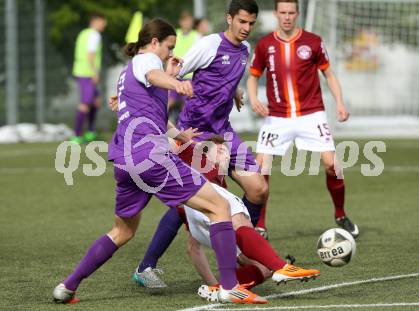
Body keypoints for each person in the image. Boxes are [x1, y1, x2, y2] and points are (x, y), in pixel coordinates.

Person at [53, 18, 266, 305]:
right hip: (151, 157)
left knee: (122, 231)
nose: (170, 53)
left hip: (125, 162)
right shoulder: (146, 60)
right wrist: (177, 84)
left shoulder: (130, 71)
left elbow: (154, 110)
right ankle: (229, 286)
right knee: (220, 206)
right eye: (169, 47)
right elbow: (154, 76)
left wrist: (180, 134)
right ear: (154, 43)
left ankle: (68, 286)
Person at [132, 138, 320, 293]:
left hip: (207, 220)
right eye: (219, 150)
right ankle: (280, 266)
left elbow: (192, 247)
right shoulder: (199, 164)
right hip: (167, 177)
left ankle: (227, 286)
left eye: (225, 151)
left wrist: (212, 284)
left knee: (263, 268)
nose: (224, 154)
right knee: (239, 221)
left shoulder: (219, 183)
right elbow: (168, 142)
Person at [247, 0, 359, 239]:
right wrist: (254, 97)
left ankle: (340, 214)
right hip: (277, 116)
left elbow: (329, 74)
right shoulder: (265, 44)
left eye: (291, 12)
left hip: (311, 113)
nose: (287, 17)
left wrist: (339, 102)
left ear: (297, 13)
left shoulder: (313, 41)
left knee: (332, 165)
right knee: (261, 166)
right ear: (276, 14)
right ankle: (260, 225)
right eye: (283, 13)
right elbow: (253, 76)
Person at [177, 0, 268, 228]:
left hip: (223, 132)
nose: (247, 28)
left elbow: (223, 76)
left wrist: (234, 90)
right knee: (194, 210)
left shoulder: (245, 50)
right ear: (229, 18)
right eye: (242, 21)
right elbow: (175, 72)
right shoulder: (209, 44)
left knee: (259, 189)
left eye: (251, 23)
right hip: (196, 133)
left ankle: (247, 240)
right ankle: (147, 262)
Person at [71, 13, 107, 144]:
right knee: (85, 104)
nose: (104, 25)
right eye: (103, 22)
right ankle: (77, 135)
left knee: (96, 101)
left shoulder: (83, 33)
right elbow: (90, 54)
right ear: (96, 21)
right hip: (87, 73)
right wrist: (94, 72)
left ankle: (91, 132)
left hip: (81, 71)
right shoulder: (94, 34)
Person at [168, 11, 200, 122]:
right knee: (169, 102)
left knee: (186, 105)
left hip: (190, 76)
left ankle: (181, 129)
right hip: (175, 76)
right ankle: (158, 121)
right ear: (181, 22)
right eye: (185, 21)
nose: (188, 23)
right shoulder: (175, 35)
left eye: (190, 21)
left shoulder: (196, 36)